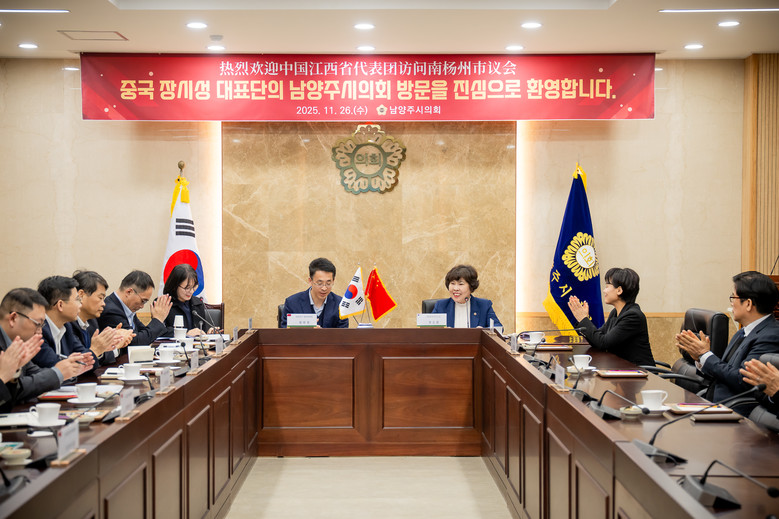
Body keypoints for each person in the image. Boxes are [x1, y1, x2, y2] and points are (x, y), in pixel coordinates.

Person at [677, 271, 779, 415]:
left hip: (735, 413)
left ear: (748, 303)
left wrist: (705, 355)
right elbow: (723, 373)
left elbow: (743, 380)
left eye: (733, 297)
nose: (731, 303)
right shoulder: (743, 331)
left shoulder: (771, 335)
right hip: (714, 405)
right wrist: (700, 359)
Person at [0, 288, 91, 410]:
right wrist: (58, 372)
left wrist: (67, 368)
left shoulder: (18, 343)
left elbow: (35, 373)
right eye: (37, 324)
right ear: (13, 319)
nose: (40, 332)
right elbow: (19, 388)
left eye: (42, 325)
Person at [567, 267, 655, 366]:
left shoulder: (633, 316)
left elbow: (603, 343)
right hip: (621, 368)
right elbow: (598, 339)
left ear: (619, 290)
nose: (604, 291)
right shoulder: (615, 312)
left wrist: (583, 319)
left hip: (640, 372)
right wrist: (583, 320)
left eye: (607, 286)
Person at [32, 276, 100, 371]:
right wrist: (96, 349)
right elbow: (57, 369)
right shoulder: (38, 331)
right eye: (77, 300)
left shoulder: (67, 326)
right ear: (60, 305)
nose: (80, 305)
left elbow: (88, 363)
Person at [72, 270, 132, 364]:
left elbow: (99, 356)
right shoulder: (68, 324)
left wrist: (112, 343)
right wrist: (98, 350)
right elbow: (80, 362)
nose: (104, 304)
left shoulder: (92, 322)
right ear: (81, 295)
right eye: (100, 298)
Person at [98, 270, 172, 345]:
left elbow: (144, 332)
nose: (142, 306)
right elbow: (134, 342)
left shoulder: (126, 307)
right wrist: (158, 320)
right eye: (143, 301)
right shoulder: (111, 311)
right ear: (129, 292)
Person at [280, 257, 348, 328]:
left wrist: (321, 333)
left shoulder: (340, 304)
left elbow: (343, 333)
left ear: (333, 281)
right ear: (310, 281)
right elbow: (285, 333)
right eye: (319, 283)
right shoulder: (292, 303)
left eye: (328, 283)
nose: (324, 288)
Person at [432, 264, 502, 328]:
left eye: (461, 284)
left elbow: (498, 327)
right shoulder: (441, 305)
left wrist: (483, 331)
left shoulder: (484, 305)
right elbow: (430, 330)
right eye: (452, 283)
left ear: (471, 286)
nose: (455, 288)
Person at [161, 263, 214, 336]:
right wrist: (186, 334)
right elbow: (159, 332)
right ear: (175, 285)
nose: (191, 291)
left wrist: (208, 333)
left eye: (193, 287)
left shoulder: (198, 303)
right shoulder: (163, 303)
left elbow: (201, 331)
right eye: (187, 288)